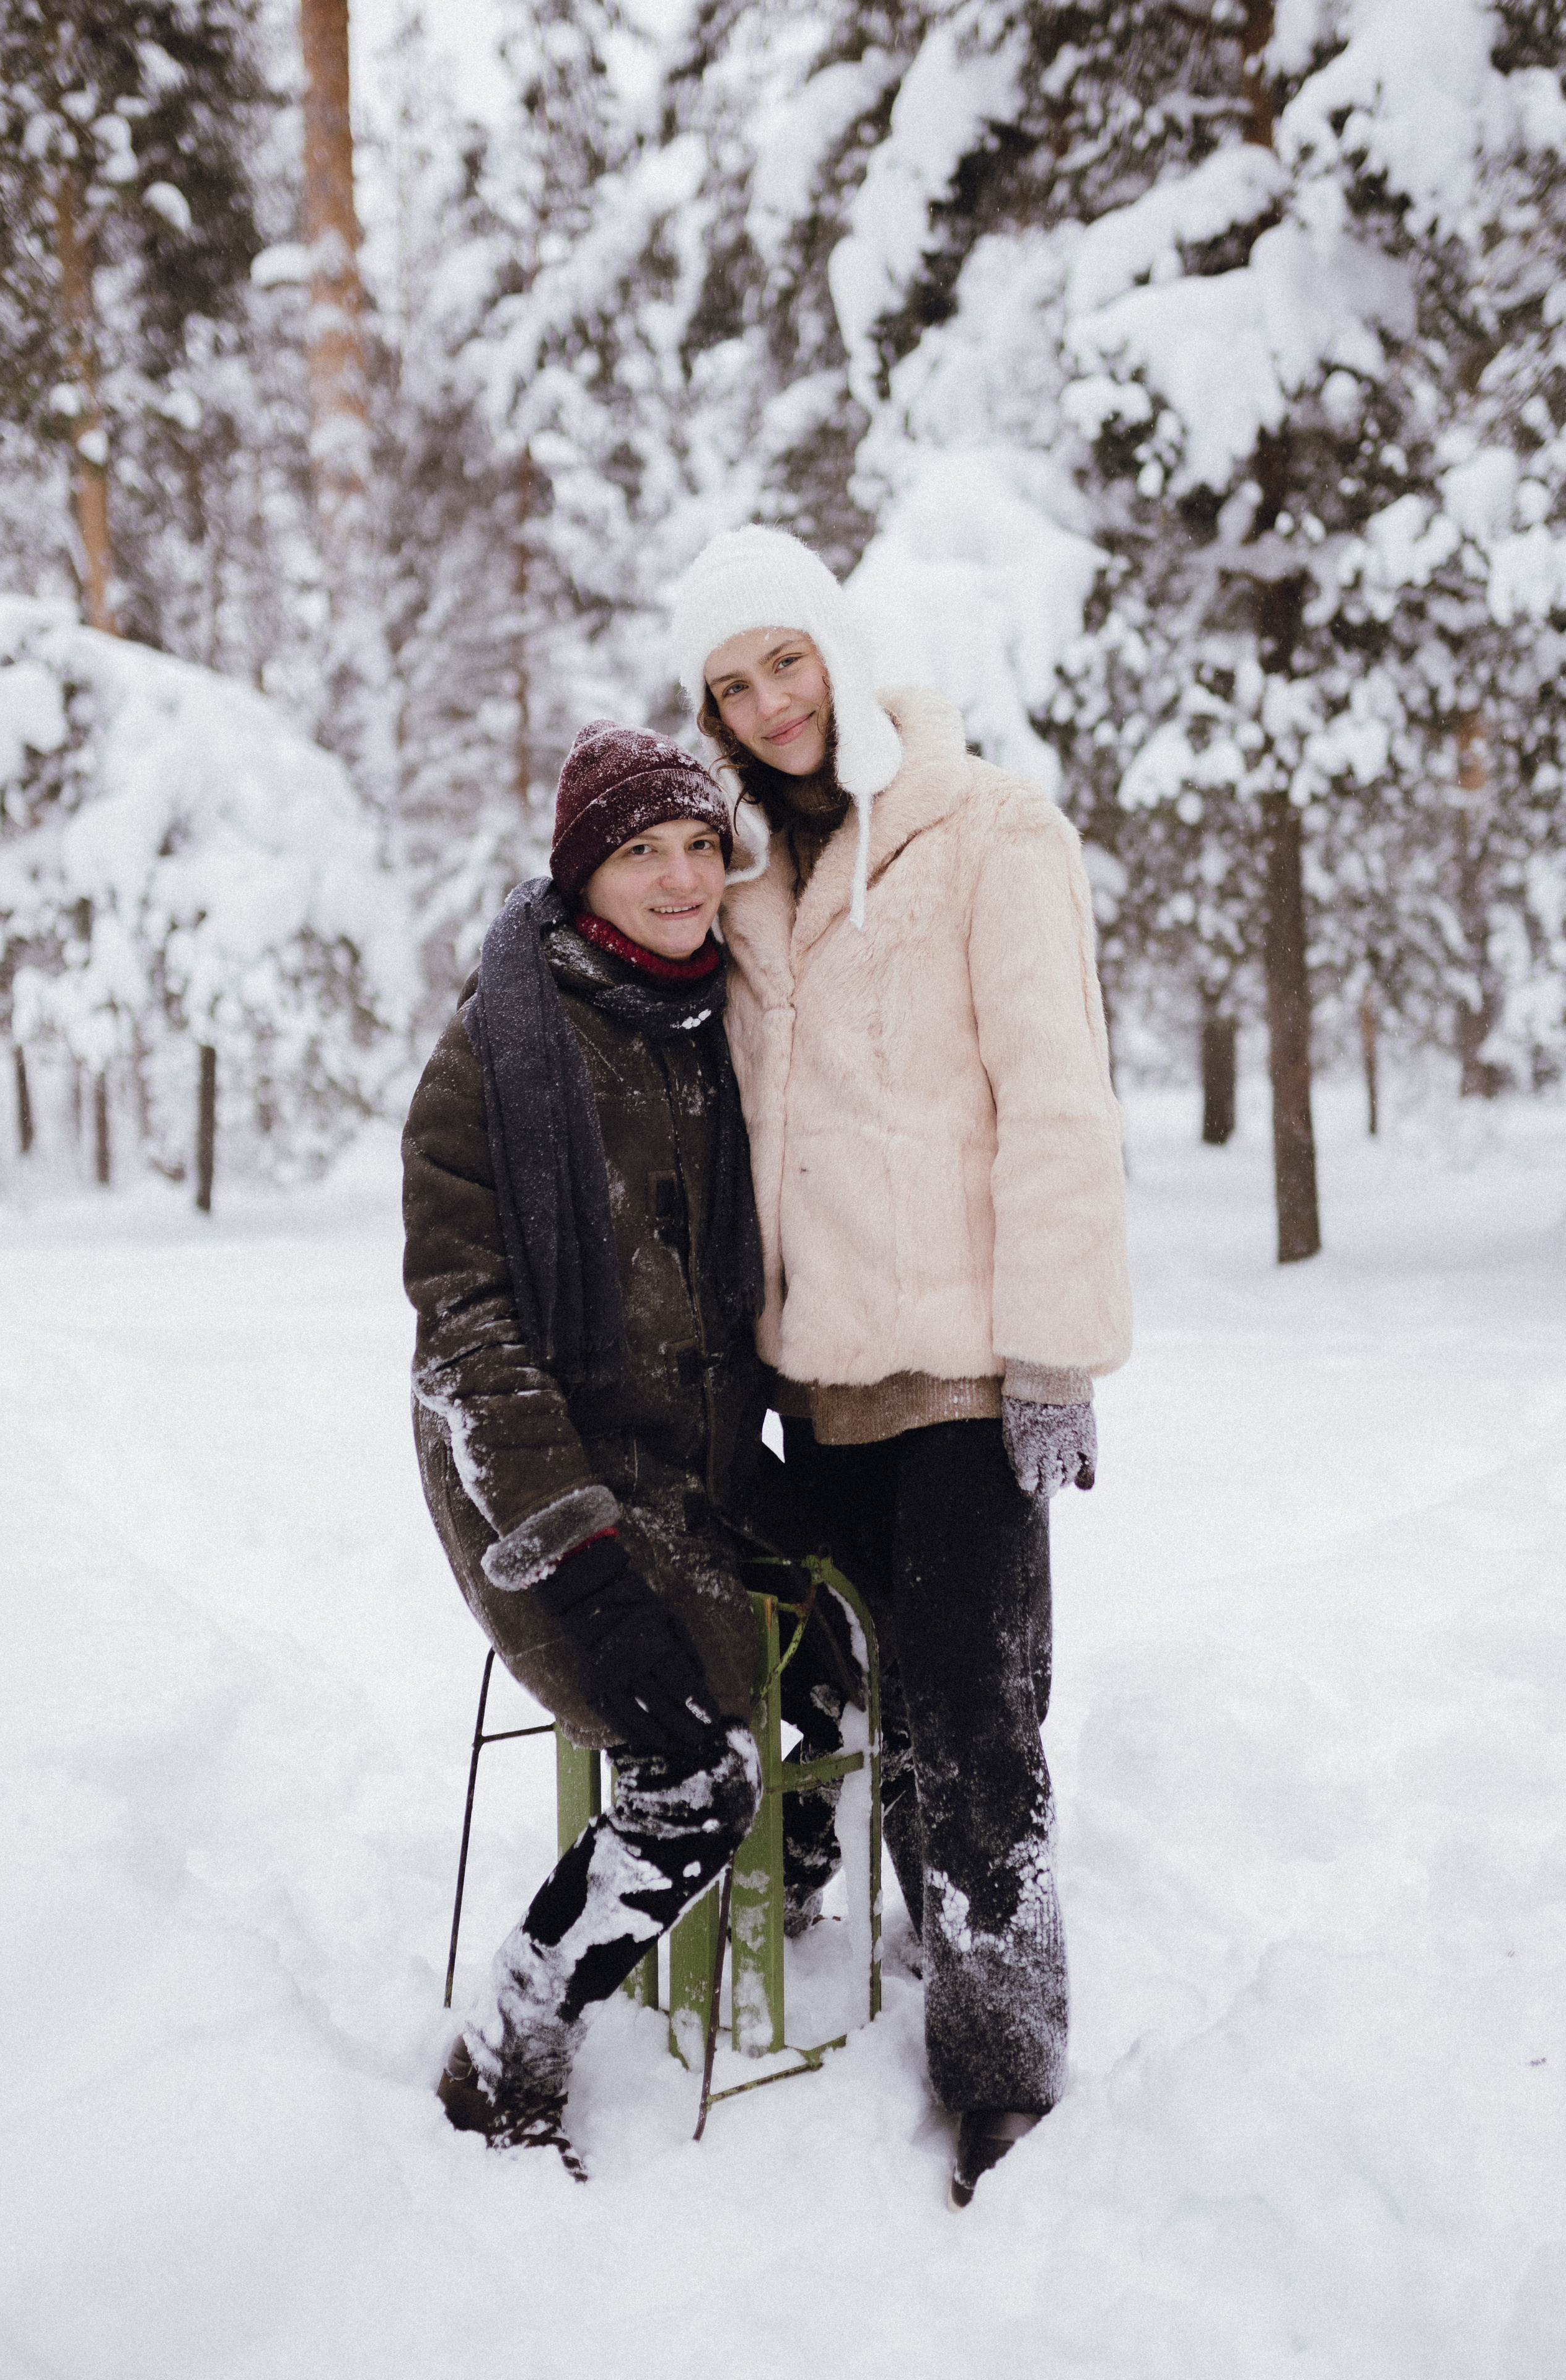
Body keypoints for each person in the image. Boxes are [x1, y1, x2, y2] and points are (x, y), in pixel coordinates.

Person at [669, 524, 1132, 2207]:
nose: (767, 705)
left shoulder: (988, 828)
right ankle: (927, 1955)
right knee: (881, 1713)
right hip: (820, 1385)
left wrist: (1054, 1353)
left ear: (839, 652)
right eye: (730, 686)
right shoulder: (744, 881)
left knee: (974, 1717)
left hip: (963, 1376)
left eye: (783, 661)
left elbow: (1058, 1098)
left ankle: (1002, 2069)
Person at [402, 723, 786, 2175]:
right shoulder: (496, 1055)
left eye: (700, 847)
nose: (682, 879)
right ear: (582, 874)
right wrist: (582, 1562)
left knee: (848, 1661)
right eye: (642, 852)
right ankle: (507, 2056)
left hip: (696, 1467)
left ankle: (789, 1919)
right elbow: (466, 1335)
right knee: (694, 1777)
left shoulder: (723, 1026)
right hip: (532, 1479)